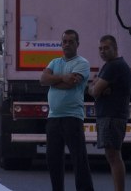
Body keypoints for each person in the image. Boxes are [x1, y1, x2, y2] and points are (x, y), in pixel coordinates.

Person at [40, 29, 94, 191]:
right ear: (61, 44)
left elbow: (70, 83)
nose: (67, 44)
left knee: (79, 160)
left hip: (72, 117)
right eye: (65, 41)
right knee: (53, 159)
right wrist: (63, 77)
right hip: (53, 118)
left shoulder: (82, 63)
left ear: (77, 44)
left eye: (71, 41)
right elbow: (43, 80)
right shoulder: (55, 62)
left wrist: (54, 80)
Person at [88, 35, 131, 191]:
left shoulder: (113, 66)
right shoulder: (115, 66)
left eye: (106, 48)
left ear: (115, 49)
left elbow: (94, 90)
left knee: (113, 156)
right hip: (112, 116)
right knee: (113, 156)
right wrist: (97, 87)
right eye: (100, 48)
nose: (103, 51)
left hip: (111, 117)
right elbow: (97, 88)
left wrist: (95, 86)